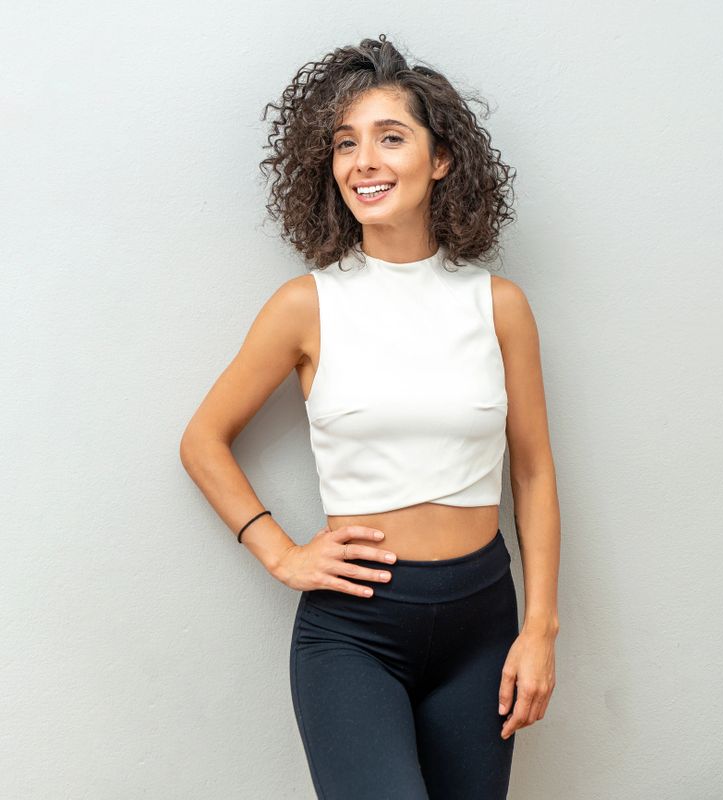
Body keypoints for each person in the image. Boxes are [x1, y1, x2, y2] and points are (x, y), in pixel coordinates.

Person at [180, 34, 561, 800]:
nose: (365, 162)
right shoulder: (307, 306)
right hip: (354, 633)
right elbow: (202, 440)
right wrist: (281, 552)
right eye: (347, 144)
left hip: (483, 624)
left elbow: (532, 469)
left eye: (391, 138)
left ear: (441, 158)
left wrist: (540, 627)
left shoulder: (499, 306)